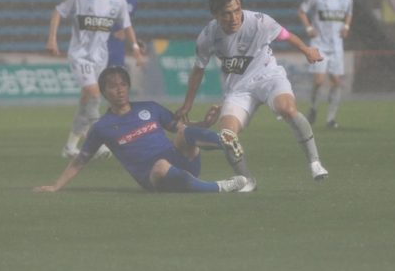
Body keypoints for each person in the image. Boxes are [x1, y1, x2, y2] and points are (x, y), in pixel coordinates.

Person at [175, 0, 329, 193]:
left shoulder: (259, 21)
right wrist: (187, 105)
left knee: (287, 109)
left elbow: (285, 34)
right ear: (215, 15)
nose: (234, 17)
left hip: (268, 76)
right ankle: (248, 180)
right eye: (226, 13)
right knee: (227, 135)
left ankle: (315, 162)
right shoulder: (208, 36)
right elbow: (198, 70)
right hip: (238, 89)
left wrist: (306, 50)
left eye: (237, 10)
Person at [34, 66, 248, 193]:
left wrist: (204, 124)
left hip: (181, 161)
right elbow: (80, 160)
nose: (119, 90)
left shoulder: (150, 107)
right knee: (161, 166)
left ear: (128, 87)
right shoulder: (101, 127)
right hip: (154, 176)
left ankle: (225, 141)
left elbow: (183, 129)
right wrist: (56, 186)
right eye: (113, 86)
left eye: (123, 84)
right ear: (104, 92)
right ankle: (220, 187)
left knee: (183, 132)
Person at [46, 0, 144, 158]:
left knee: (86, 101)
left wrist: (135, 48)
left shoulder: (118, 0)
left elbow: (127, 25)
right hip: (80, 55)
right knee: (94, 94)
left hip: (100, 57)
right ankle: (101, 142)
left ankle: (70, 146)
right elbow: (58, 11)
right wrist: (52, 39)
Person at [298, 0, 353, 128]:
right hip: (319, 45)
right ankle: (313, 108)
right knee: (319, 81)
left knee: (336, 82)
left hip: (336, 46)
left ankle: (330, 119)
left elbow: (349, 14)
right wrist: (309, 28)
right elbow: (302, 11)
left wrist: (346, 27)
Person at [107, 0, 139, 67]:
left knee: (116, 73)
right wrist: (111, 32)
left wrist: (135, 46)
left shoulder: (132, 1)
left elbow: (129, 25)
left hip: (119, 47)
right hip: (103, 44)